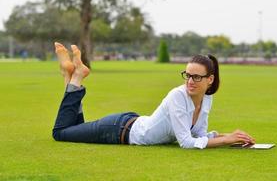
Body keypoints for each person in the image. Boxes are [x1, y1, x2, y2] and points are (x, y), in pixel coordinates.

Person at [52, 42, 255, 149]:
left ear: (210, 80)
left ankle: (71, 76)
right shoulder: (178, 96)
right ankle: (74, 75)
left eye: (197, 77)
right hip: (117, 130)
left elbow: (199, 136)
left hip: (129, 123)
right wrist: (224, 141)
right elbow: (186, 142)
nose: (190, 81)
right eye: (187, 75)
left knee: (72, 128)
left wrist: (228, 137)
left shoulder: (206, 99)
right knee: (61, 133)